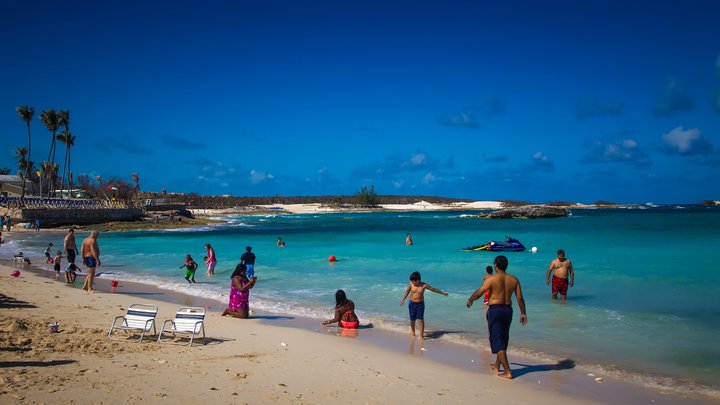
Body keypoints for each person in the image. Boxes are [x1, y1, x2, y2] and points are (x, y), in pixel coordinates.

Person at [466, 255, 528, 379]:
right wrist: (523, 313)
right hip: (508, 310)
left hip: (495, 310)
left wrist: (470, 299)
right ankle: (496, 365)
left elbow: (480, 291)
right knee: (503, 337)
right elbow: (520, 298)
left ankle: (508, 372)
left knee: (497, 339)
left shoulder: (492, 279)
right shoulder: (514, 279)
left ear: (495, 265)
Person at [400, 271, 448, 338]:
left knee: (420, 320)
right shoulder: (411, 284)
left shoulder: (424, 285)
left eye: (413, 281)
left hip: (420, 304)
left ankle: (421, 336)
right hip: (412, 303)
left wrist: (442, 293)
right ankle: (413, 331)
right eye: (411, 281)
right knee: (412, 319)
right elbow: (407, 291)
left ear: (417, 280)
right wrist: (403, 299)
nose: (412, 282)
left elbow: (433, 289)